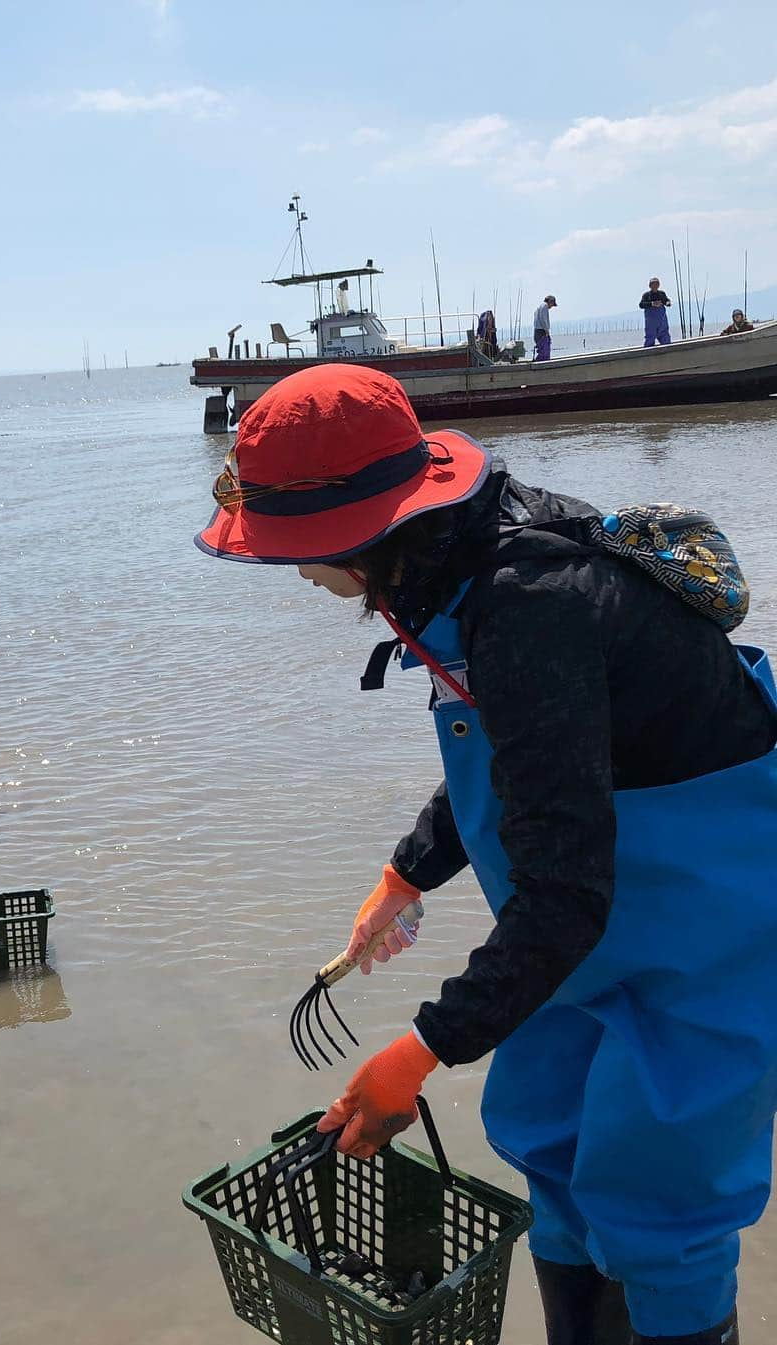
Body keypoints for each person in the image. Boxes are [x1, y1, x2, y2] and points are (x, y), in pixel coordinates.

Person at [195, 363, 777, 1345]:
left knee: (663, 1198)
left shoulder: (531, 602)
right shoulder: (447, 566)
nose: (295, 573)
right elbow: (520, 760)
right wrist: (405, 874)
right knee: (551, 1139)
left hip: (706, 925)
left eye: (295, 550)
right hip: (595, 908)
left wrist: (419, 1049)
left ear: (368, 530)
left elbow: (561, 895)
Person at [639, 277, 673, 346]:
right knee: (650, 337)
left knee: (665, 337)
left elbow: (666, 301)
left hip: (662, 321)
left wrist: (667, 303)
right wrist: (652, 304)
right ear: (650, 286)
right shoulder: (646, 295)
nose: (655, 285)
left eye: (657, 284)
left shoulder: (661, 294)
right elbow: (641, 305)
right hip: (651, 322)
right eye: (653, 284)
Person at [533, 294, 556, 360]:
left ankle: (539, 362)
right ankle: (542, 365)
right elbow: (543, 319)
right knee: (544, 351)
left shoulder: (540, 306)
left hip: (537, 332)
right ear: (550, 301)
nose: (551, 307)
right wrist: (546, 330)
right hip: (541, 332)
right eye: (552, 304)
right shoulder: (545, 306)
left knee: (542, 350)